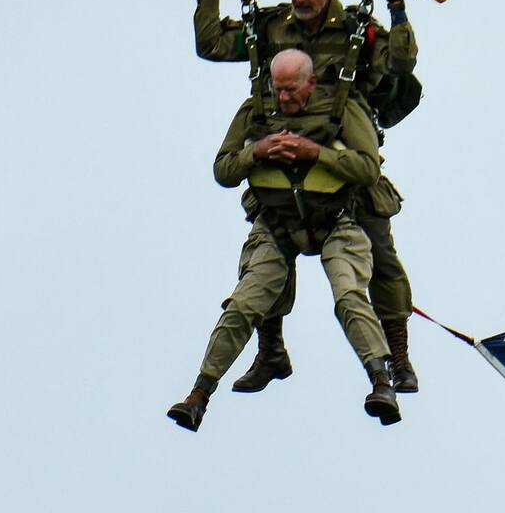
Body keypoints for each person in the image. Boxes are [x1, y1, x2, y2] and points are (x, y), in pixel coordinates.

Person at [190, 0, 420, 393]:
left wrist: (396, 6)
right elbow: (213, 45)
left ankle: (400, 359)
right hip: (279, 163)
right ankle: (270, 352)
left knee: (383, 262)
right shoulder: (274, 29)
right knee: (265, 255)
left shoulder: (359, 33)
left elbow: (402, 62)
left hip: (345, 164)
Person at [167, 50, 400, 431]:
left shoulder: (342, 108)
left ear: (310, 83)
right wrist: (256, 152)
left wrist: (317, 153)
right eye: (278, 90)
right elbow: (223, 169)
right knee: (243, 304)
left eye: (292, 90)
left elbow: (367, 168)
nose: (284, 99)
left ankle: (381, 381)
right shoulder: (255, 112)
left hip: (336, 219)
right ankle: (199, 396)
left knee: (349, 296)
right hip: (276, 223)